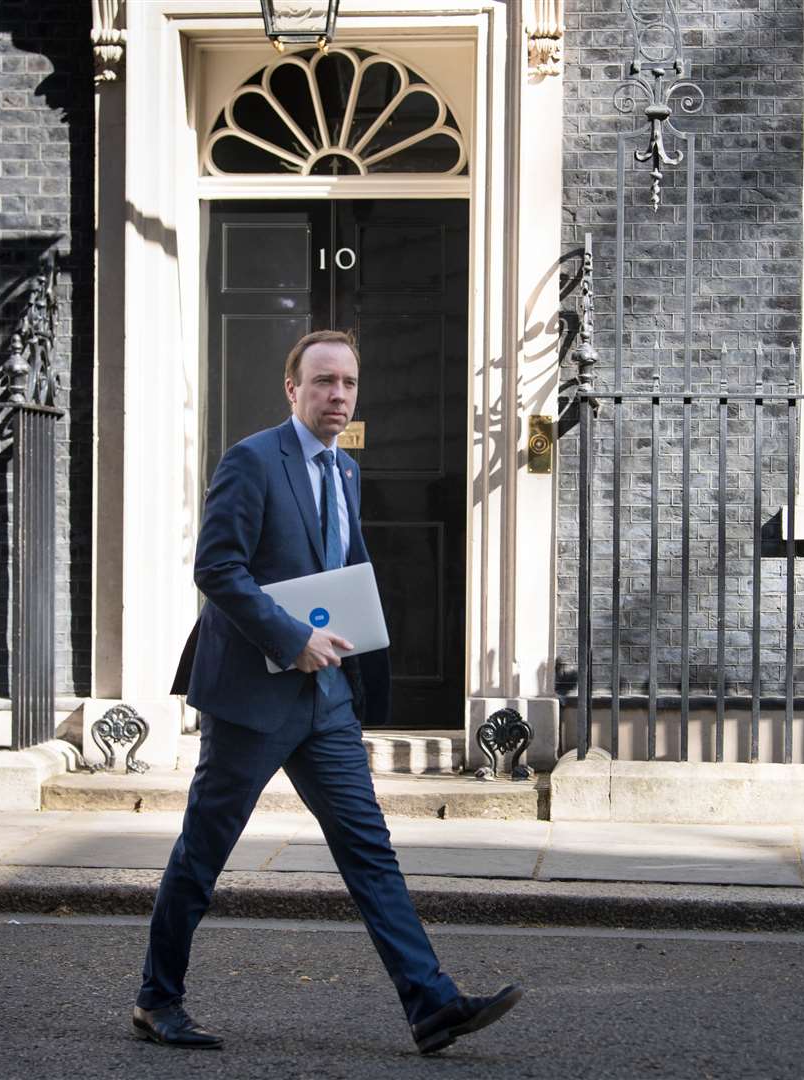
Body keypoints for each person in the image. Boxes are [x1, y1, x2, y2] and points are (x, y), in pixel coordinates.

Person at [135, 329, 523, 1054]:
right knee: (204, 852)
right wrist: (291, 638)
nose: (336, 395)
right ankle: (158, 1001)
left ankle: (431, 1004)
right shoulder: (251, 462)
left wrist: (349, 658)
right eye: (322, 382)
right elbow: (217, 569)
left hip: (326, 699)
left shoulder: (344, 472)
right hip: (251, 697)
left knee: (368, 849)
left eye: (346, 382)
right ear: (293, 388)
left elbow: (340, 571)